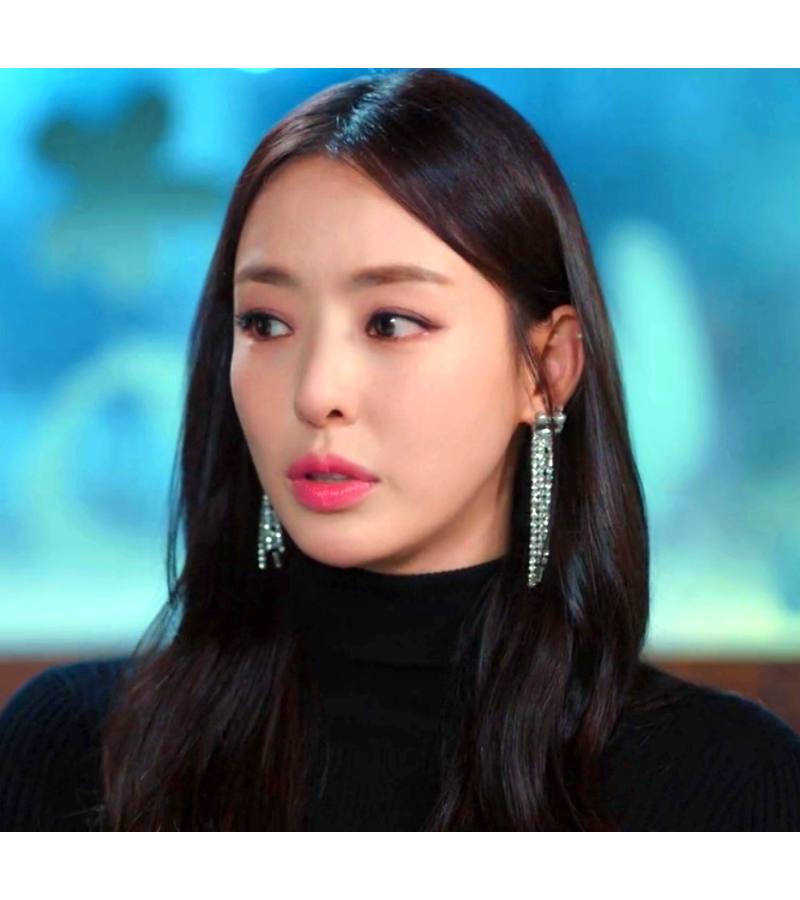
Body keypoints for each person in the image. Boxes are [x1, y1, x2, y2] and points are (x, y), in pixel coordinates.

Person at [1, 68, 798, 831]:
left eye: (390, 323)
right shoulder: (74, 752)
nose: (316, 391)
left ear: (547, 368)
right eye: (266, 323)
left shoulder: (727, 787)